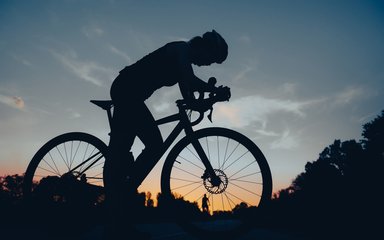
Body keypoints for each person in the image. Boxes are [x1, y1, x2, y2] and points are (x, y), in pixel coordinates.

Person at [103, 30, 230, 239]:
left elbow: (187, 88)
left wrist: (208, 97)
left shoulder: (185, 60)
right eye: (211, 60)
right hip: (126, 91)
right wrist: (212, 91)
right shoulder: (180, 49)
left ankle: (118, 214)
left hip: (131, 94)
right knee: (152, 145)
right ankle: (121, 192)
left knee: (129, 150)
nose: (207, 65)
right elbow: (188, 78)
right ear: (204, 48)